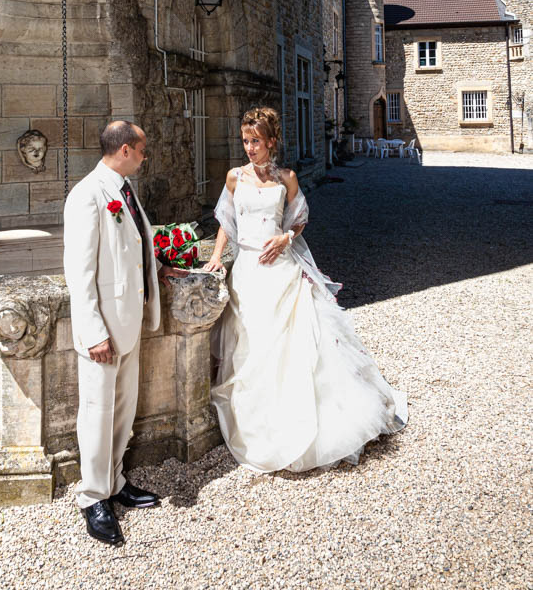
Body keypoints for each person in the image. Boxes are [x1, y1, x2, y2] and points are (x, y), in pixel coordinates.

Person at [205, 106, 407, 473]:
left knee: (293, 345)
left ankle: (300, 419)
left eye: (255, 142)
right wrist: (218, 256)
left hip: (281, 270)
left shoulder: (287, 178)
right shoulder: (235, 177)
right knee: (250, 343)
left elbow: (298, 221)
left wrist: (284, 238)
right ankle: (256, 419)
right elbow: (226, 221)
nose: (249, 148)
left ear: (271, 141)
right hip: (248, 270)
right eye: (245, 141)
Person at [63, 120, 184, 546]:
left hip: (130, 323)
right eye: (143, 149)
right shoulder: (87, 195)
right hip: (104, 330)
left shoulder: (125, 190)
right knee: (96, 414)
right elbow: (80, 274)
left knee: (123, 411)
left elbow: (133, 248)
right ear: (127, 150)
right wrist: (94, 331)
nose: (146, 156)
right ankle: (93, 496)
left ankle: (114, 483)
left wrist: (160, 268)